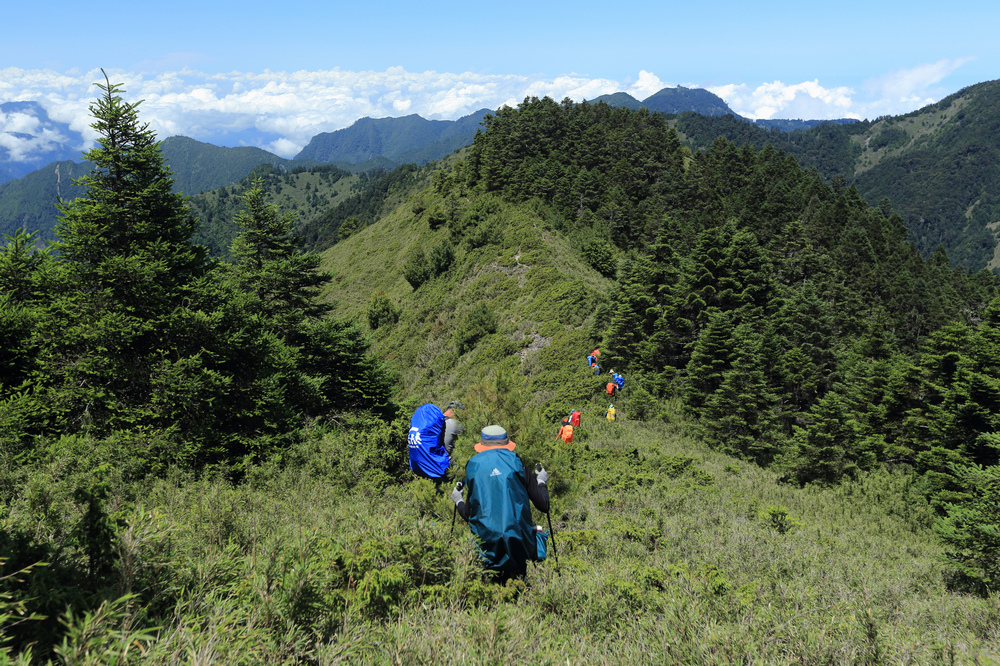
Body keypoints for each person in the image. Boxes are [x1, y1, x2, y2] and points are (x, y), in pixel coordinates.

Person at [451, 425, 550, 582]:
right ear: (506, 444)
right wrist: (541, 482)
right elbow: (544, 505)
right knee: (518, 586)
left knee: (490, 586)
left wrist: (458, 500)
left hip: (486, 546)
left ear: (482, 446)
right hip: (518, 544)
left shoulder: (474, 469)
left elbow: (469, 515)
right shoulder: (520, 467)